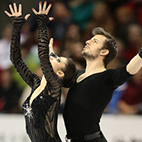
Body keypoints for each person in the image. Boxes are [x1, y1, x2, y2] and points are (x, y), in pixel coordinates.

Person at [4, 2, 76, 142]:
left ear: (60, 74)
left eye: (58, 60)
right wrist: (17, 27)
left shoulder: (54, 87)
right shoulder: (36, 83)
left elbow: (43, 58)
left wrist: (42, 24)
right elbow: (16, 59)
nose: (53, 57)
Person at [63, 27, 142, 142]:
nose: (87, 41)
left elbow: (129, 69)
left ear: (104, 52)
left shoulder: (108, 78)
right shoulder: (77, 75)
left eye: (95, 41)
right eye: (90, 39)